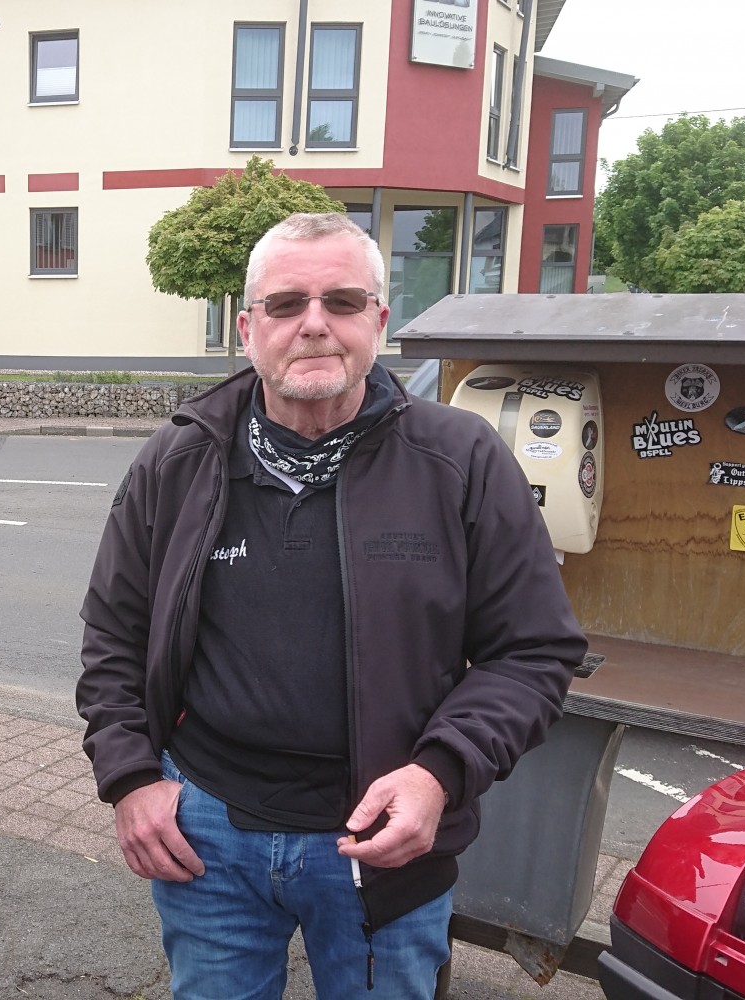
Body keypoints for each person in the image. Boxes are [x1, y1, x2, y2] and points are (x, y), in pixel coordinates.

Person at [76, 212, 585, 1000]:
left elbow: (533, 651)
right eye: (285, 304)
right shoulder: (179, 459)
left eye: (342, 301)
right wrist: (131, 778)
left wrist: (439, 775)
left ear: (378, 321)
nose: (313, 324)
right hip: (206, 835)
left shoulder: (460, 459)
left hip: (384, 842)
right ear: (248, 329)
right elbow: (114, 634)